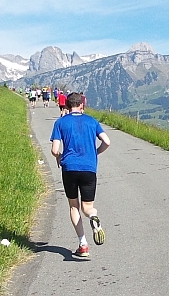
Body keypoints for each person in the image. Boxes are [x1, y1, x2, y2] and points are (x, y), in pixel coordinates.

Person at [50, 92, 111, 257]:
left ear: (68, 106)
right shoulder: (92, 121)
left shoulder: (60, 122)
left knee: (74, 206)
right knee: (88, 207)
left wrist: (60, 157)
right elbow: (107, 141)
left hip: (69, 168)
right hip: (89, 168)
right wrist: (95, 152)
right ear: (82, 105)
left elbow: (54, 150)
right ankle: (93, 217)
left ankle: (83, 244)